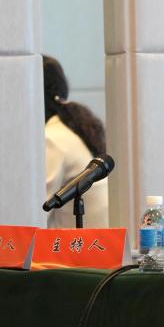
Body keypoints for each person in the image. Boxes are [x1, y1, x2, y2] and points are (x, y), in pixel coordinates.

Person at [43, 54, 109, 229]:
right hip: (96, 241)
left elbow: (36, 212)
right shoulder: (67, 129)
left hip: (79, 244)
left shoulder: (52, 139)